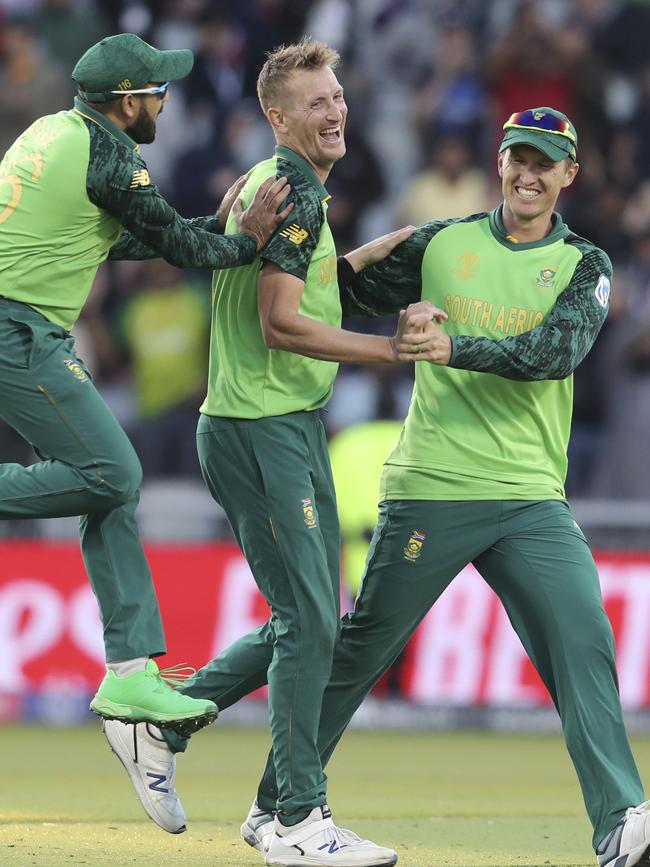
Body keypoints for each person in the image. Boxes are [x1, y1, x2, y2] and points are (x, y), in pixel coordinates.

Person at [110, 105, 650, 867]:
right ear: (500, 162)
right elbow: (332, 288)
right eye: (518, 157)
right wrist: (284, 241)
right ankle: (279, 803)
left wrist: (449, 342)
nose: (529, 173)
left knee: (582, 640)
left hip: (532, 495)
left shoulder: (586, 265)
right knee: (355, 650)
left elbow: (551, 353)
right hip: (431, 484)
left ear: (570, 174)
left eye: (545, 161)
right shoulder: (441, 242)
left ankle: (621, 819)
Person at [103, 37, 443, 866]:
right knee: (311, 621)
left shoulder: (269, 183)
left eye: (338, 97)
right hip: (263, 426)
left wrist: (369, 254)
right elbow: (279, 322)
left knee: (310, 617)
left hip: (267, 424)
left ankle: (168, 721)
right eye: (317, 102)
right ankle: (296, 817)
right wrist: (390, 352)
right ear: (276, 115)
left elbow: (297, 286)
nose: (336, 112)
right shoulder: (292, 188)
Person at [0, 32, 292, 734]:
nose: (166, 99)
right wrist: (246, 239)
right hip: (17, 325)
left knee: (109, 490)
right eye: (157, 90)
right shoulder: (110, 152)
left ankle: (131, 674)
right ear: (127, 102)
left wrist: (214, 225)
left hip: (20, 320)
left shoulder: (56, 132)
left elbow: (129, 235)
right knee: (109, 470)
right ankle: (131, 674)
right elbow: (180, 248)